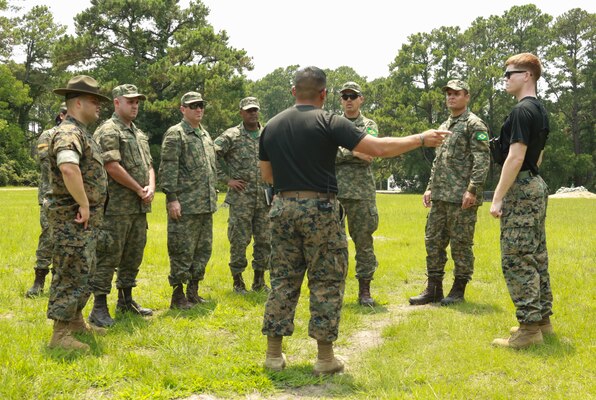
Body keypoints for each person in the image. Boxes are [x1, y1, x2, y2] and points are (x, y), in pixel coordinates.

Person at [259, 66, 449, 375]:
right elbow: (376, 148)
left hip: (281, 207)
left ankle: (273, 354)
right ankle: (324, 358)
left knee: (282, 278)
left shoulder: (272, 126)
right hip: (320, 208)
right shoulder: (329, 122)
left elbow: (266, 175)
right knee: (326, 279)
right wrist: (420, 139)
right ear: (323, 94)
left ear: (294, 92)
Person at [490, 53, 552, 349]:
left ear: (527, 75)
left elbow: (515, 157)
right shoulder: (540, 110)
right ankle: (541, 321)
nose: (506, 78)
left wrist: (498, 198)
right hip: (536, 183)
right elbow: (538, 155)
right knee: (536, 254)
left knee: (516, 257)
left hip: (522, 186)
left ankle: (528, 331)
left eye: (509, 73)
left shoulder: (520, 112)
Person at [409, 79, 490, 306]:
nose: (451, 97)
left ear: (467, 96)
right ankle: (434, 289)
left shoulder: (474, 125)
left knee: (461, 244)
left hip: (461, 198)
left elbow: (482, 160)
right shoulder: (444, 126)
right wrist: (429, 187)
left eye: (456, 93)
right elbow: (439, 161)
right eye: (448, 94)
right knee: (433, 241)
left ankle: (458, 290)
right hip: (441, 197)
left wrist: (472, 190)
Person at [46, 75, 110, 351]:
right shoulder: (68, 133)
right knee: (70, 272)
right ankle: (60, 336)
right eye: (95, 101)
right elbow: (68, 168)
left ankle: (74, 322)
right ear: (78, 102)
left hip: (84, 222)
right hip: (70, 219)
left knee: (84, 270)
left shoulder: (83, 133)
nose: (99, 107)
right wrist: (84, 203)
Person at [88, 84, 155, 327]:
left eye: (137, 101)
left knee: (133, 255)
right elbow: (111, 166)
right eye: (130, 101)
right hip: (115, 208)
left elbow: (148, 165)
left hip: (138, 208)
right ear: (117, 103)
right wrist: (139, 189)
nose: (135, 105)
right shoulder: (109, 130)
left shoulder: (138, 133)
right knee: (108, 256)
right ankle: (99, 307)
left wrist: (151, 186)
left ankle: (126, 300)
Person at [159, 92, 217, 309]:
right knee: (181, 250)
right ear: (183, 109)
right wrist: (172, 198)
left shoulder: (204, 135)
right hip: (185, 205)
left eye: (201, 105)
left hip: (205, 205)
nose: (198, 109)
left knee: (203, 250)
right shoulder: (176, 134)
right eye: (193, 106)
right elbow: (168, 167)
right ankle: (178, 296)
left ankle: (193, 291)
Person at [214, 97, 271, 294]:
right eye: (248, 110)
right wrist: (226, 179)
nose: (253, 113)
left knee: (265, 239)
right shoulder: (232, 135)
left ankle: (259, 280)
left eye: (255, 110)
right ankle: (238, 281)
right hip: (241, 198)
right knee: (239, 239)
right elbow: (210, 154)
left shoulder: (267, 134)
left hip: (265, 198)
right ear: (241, 112)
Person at [335, 82, 381, 306]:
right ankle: (335, 288)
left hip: (361, 193)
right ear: (340, 100)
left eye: (353, 96)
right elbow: (325, 154)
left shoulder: (369, 125)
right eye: (345, 96)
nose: (349, 100)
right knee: (333, 243)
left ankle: (365, 290)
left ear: (361, 99)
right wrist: (353, 151)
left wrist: (342, 151)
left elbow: (369, 153)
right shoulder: (332, 123)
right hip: (334, 193)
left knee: (363, 242)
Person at [26, 102, 67, 298]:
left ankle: (60, 281)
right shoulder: (47, 135)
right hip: (50, 196)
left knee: (67, 240)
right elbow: (47, 163)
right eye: (65, 113)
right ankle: (39, 280)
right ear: (60, 115)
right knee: (48, 236)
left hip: (73, 197)